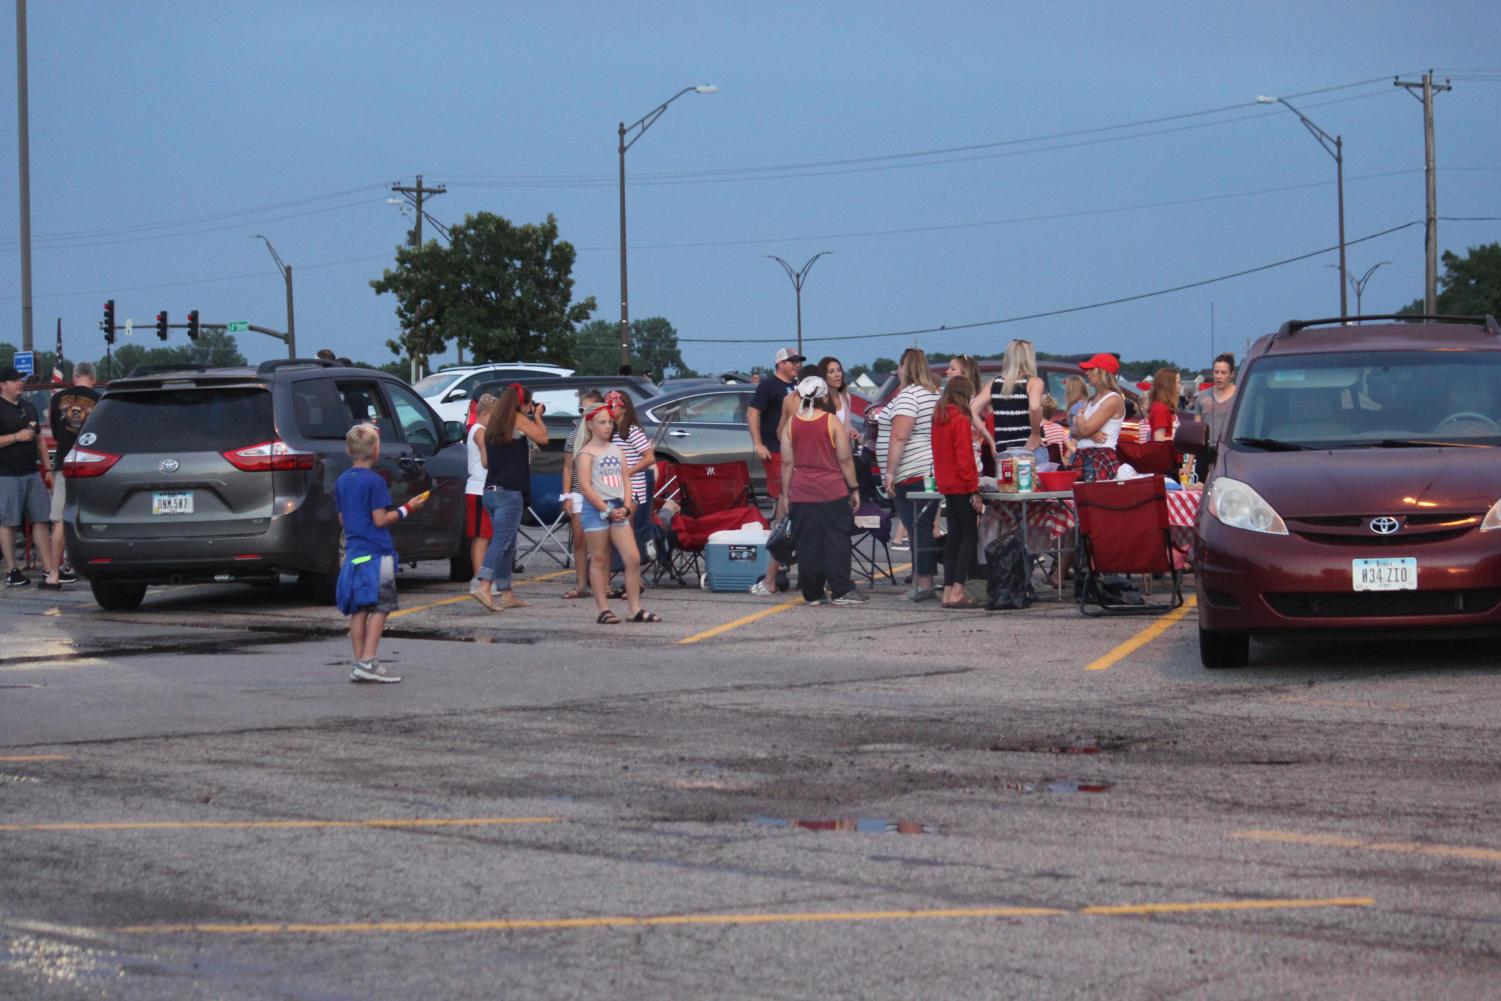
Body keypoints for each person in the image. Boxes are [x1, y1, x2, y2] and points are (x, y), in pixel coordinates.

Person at [335, 424, 427, 682]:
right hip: (377, 552)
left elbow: (342, 518)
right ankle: (369, 659)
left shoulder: (342, 481)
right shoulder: (375, 481)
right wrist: (408, 508)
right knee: (381, 606)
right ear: (375, 451)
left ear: (348, 450)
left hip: (354, 552)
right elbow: (380, 519)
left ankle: (360, 662)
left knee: (359, 608)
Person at [777, 376, 863, 606]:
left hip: (802, 490)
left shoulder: (791, 424)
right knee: (837, 540)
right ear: (824, 396)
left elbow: (786, 463)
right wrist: (854, 488)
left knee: (807, 543)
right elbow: (844, 459)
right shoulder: (831, 421)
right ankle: (841, 589)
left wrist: (786, 494)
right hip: (831, 489)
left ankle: (813, 592)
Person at [576, 402, 660, 623]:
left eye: (610, 422)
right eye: (602, 422)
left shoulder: (617, 450)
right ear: (591, 424)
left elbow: (626, 479)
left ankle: (634, 608)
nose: (608, 427)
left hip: (617, 506)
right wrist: (605, 509)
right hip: (597, 508)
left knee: (632, 557)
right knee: (599, 557)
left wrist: (625, 505)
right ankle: (603, 609)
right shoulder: (586, 453)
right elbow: (585, 486)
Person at [878, 347, 942, 601]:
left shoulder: (909, 396)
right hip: (928, 468)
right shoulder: (933, 393)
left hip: (912, 470)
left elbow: (899, 435)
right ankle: (921, 580)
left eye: (900, 367)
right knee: (922, 526)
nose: (898, 371)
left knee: (918, 528)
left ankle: (924, 583)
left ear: (907, 368)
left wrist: (890, 472)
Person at [476, 385, 548, 610]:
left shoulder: (493, 423)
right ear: (522, 403)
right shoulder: (516, 418)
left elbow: (486, 462)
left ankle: (506, 592)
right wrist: (536, 416)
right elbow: (543, 438)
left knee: (508, 544)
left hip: (490, 491)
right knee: (502, 541)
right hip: (509, 492)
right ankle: (484, 585)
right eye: (529, 403)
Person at [746, 347, 802, 595]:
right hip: (777, 450)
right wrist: (758, 443)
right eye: (792, 361)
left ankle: (783, 565)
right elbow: (753, 411)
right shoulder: (769, 386)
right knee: (784, 507)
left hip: (796, 452)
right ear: (780, 363)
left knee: (795, 508)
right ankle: (775, 566)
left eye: (798, 361)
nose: (796, 365)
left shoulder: (798, 386)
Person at [0, 366, 58, 589]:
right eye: (14, 380)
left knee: (42, 518)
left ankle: (48, 568)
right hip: (6, 474)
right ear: (2, 385)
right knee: (9, 522)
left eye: (19, 379)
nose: (19, 383)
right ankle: (13, 570)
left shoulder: (29, 407)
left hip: (32, 473)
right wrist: (16, 436)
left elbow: (40, 441)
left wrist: (48, 469)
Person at [931, 376, 984, 609]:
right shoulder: (960, 419)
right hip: (962, 484)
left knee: (953, 538)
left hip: (946, 483)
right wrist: (974, 487)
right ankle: (959, 591)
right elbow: (964, 457)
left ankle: (948, 591)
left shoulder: (939, 417)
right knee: (969, 537)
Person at [46, 362, 99, 585]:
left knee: (59, 519)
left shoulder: (57, 399)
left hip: (64, 464)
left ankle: (54, 574)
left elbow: (57, 434)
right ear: (93, 379)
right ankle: (95, 568)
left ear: (74, 376)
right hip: (91, 465)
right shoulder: (100, 400)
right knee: (96, 516)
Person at [561, 389, 604, 600]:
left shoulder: (606, 437)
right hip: (579, 492)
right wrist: (567, 495)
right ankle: (581, 584)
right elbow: (568, 467)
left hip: (601, 492)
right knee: (579, 539)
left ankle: (603, 584)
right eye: (581, 410)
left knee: (601, 540)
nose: (584, 414)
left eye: (589, 410)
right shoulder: (573, 437)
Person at [971, 339, 1045, 462]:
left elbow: (972, 410)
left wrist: (990, 439)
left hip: (1003, 450)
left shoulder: (995, 383)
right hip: (1029, 447)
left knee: (1007, 481)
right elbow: (1034, 407)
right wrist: (1036, 434)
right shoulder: (1034, 382)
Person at [1066, 353, 1126, 483]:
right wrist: (1090, 434)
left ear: (1103, 372)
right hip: (1084, 455)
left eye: (1091, 369)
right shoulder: (1092, 399)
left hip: (1100, 456)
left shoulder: (1113, 399)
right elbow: (1073, 431)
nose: (1087, 373)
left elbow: (1083, 429)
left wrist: (1081, 418)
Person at [464, 393, 500, 610]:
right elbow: (486, 458)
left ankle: (484, 576)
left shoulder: (481, 430)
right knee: (481, 536)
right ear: (484, 414)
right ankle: (479, 578)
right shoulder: (479, 430)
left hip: (483, 489)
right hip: (477, 489)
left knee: (487, 535)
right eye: (493, 418)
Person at [1193, 353, 1237, 482]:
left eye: (1223, 373)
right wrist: (1189, 465)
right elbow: (1195, 434)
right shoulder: (1202, 397)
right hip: (1205, 453)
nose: (1219, 376)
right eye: (1216, 372)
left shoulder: (1239, 395)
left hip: (1230, 453)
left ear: (1231, 374)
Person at [818, 356, 861, 443]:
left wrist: (852, 431)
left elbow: (847, 426)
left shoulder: (846, 397)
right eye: (831, 372)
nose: (837, 375)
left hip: (844, 452)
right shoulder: (818, 401)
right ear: (823, 375)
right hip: (826, 453)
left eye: (839, 370)